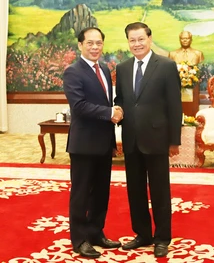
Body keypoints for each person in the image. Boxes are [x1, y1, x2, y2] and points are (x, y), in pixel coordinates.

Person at [114, 22, 182, 258]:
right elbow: (122, 101)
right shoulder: (122, 68)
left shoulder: (165, 66)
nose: (137, 44)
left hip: (157, 139)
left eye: (140, 39)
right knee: (135, 190)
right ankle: (142, 234)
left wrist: (174, 141)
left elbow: (175, 105)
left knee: (160, 191)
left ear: (150, 39)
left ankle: (162, 238)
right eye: (132, 40)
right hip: (131, 139)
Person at [63, 27, 123, 259]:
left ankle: (96, 233)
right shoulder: (73, 72)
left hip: (103, 142)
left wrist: (116, 110)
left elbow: (105, 100)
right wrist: (110, 112)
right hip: (84, 143)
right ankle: (79, 240)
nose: (95, 47)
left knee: (100, 192)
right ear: (80, 45)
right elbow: (78, 107)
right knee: (81, 194)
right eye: (90, 43)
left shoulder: (105, 69)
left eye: (99, 43)